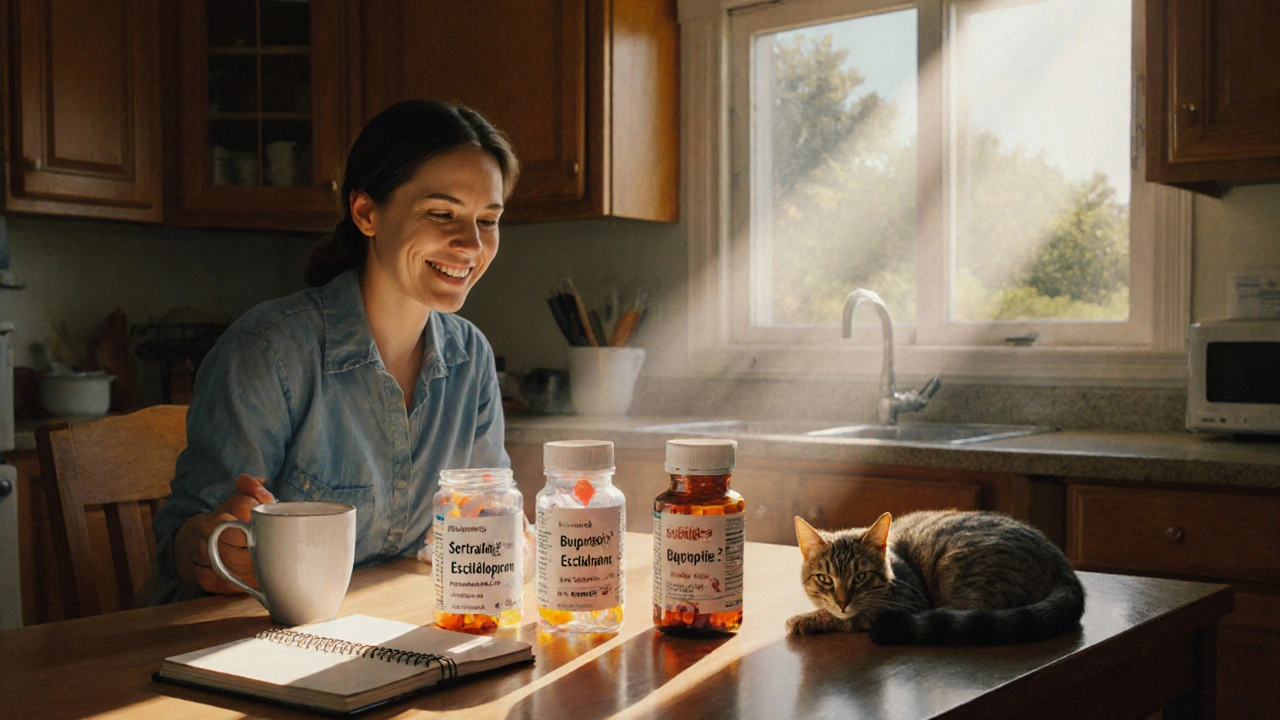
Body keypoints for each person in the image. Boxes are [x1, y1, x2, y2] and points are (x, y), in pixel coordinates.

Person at [147, 99, 520, 603]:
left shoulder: (470, 358)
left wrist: (501, 530)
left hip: (387, 636)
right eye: (442, 213)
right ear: (366, 213)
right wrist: (209, 548)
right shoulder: (269, 351)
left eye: (488, 220)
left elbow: (483, 519)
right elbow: (188, 544)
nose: (471, 244)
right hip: (248, 646)